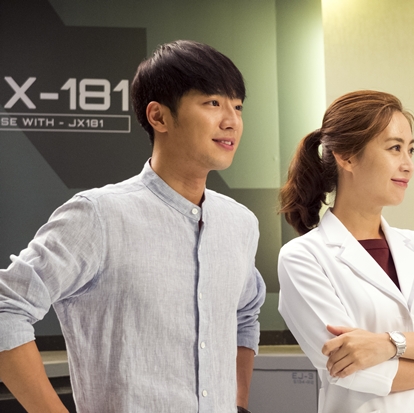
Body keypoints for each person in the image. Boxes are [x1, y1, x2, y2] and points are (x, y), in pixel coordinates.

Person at [0, 40, 265, 413]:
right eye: (212, 103)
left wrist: (238, 403)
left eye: (237, 106)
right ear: (159, 117)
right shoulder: (99, 215)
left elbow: (246, 312)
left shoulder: (240, 223)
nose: (231, 121)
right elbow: (7, 306)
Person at [278, 90, 414, 413]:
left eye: (410, 150)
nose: (408, 165)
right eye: (395, 148)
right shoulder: (304, 257)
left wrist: (388, 344)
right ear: (347, 157)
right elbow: (352, 369)